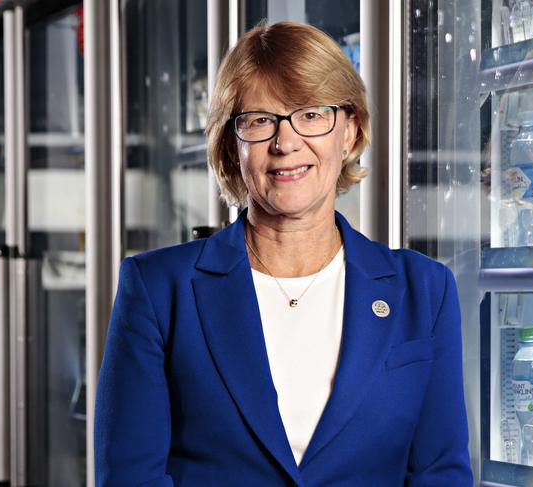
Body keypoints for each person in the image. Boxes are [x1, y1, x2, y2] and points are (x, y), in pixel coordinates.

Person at [95, 20, 472, 487]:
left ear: (350, 131)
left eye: (311, 114)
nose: (285, 142)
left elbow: (441, 473)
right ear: (233, 148)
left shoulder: (425, 290)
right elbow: (131, 479)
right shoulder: (157, 290)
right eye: (259, 120)